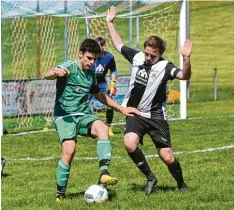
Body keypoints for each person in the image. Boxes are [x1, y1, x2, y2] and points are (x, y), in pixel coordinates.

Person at [106, 6, 192, 195]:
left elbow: (184, 76)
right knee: (129, 143)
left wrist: (186, 59)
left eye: (153, 55)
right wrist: (110, 23)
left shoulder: (165, 67)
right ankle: (150, 177)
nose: (148, 57)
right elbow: (118, 44)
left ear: (160, 53)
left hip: (155, 116)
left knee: (167, 157)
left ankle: (181, 184)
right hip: (134, 112)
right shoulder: (137, 57)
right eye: (147, 53)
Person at [44, 38, 139, 202]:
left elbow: (99, 95)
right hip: (64, 115)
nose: (92, 62)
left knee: (103, 128)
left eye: (94, 59)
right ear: (80, 54)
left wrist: (122, 108)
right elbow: (47, 74)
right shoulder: (69, 66)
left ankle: (103, 173)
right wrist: (55, 73)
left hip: (83, 114)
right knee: (69, 151)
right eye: (89, 58)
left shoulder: (90, 76)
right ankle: (60, 195)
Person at [90, 36, 118, 136]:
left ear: (104, 46)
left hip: (102, 83)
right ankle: (85, 126)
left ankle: (108, 126)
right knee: (84, 103)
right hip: (90, 82)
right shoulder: (91, 56)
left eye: (101, 45)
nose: (99, 47)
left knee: (110, 103)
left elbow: (113, 70)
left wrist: (113, 83)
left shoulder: (109, 57)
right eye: (97, 45)